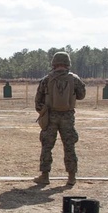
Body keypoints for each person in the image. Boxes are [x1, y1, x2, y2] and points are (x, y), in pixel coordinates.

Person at [33, 52, 87, 186]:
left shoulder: (46, 79)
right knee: (69, 146)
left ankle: (44, 176)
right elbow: (81, 95)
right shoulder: (74, 79)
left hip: (50, 116)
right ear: (67, 63)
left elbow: (38, 101)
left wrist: (44, 112)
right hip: (67, 117)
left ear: (54, 63)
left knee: (47, 146)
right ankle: (71, 177)